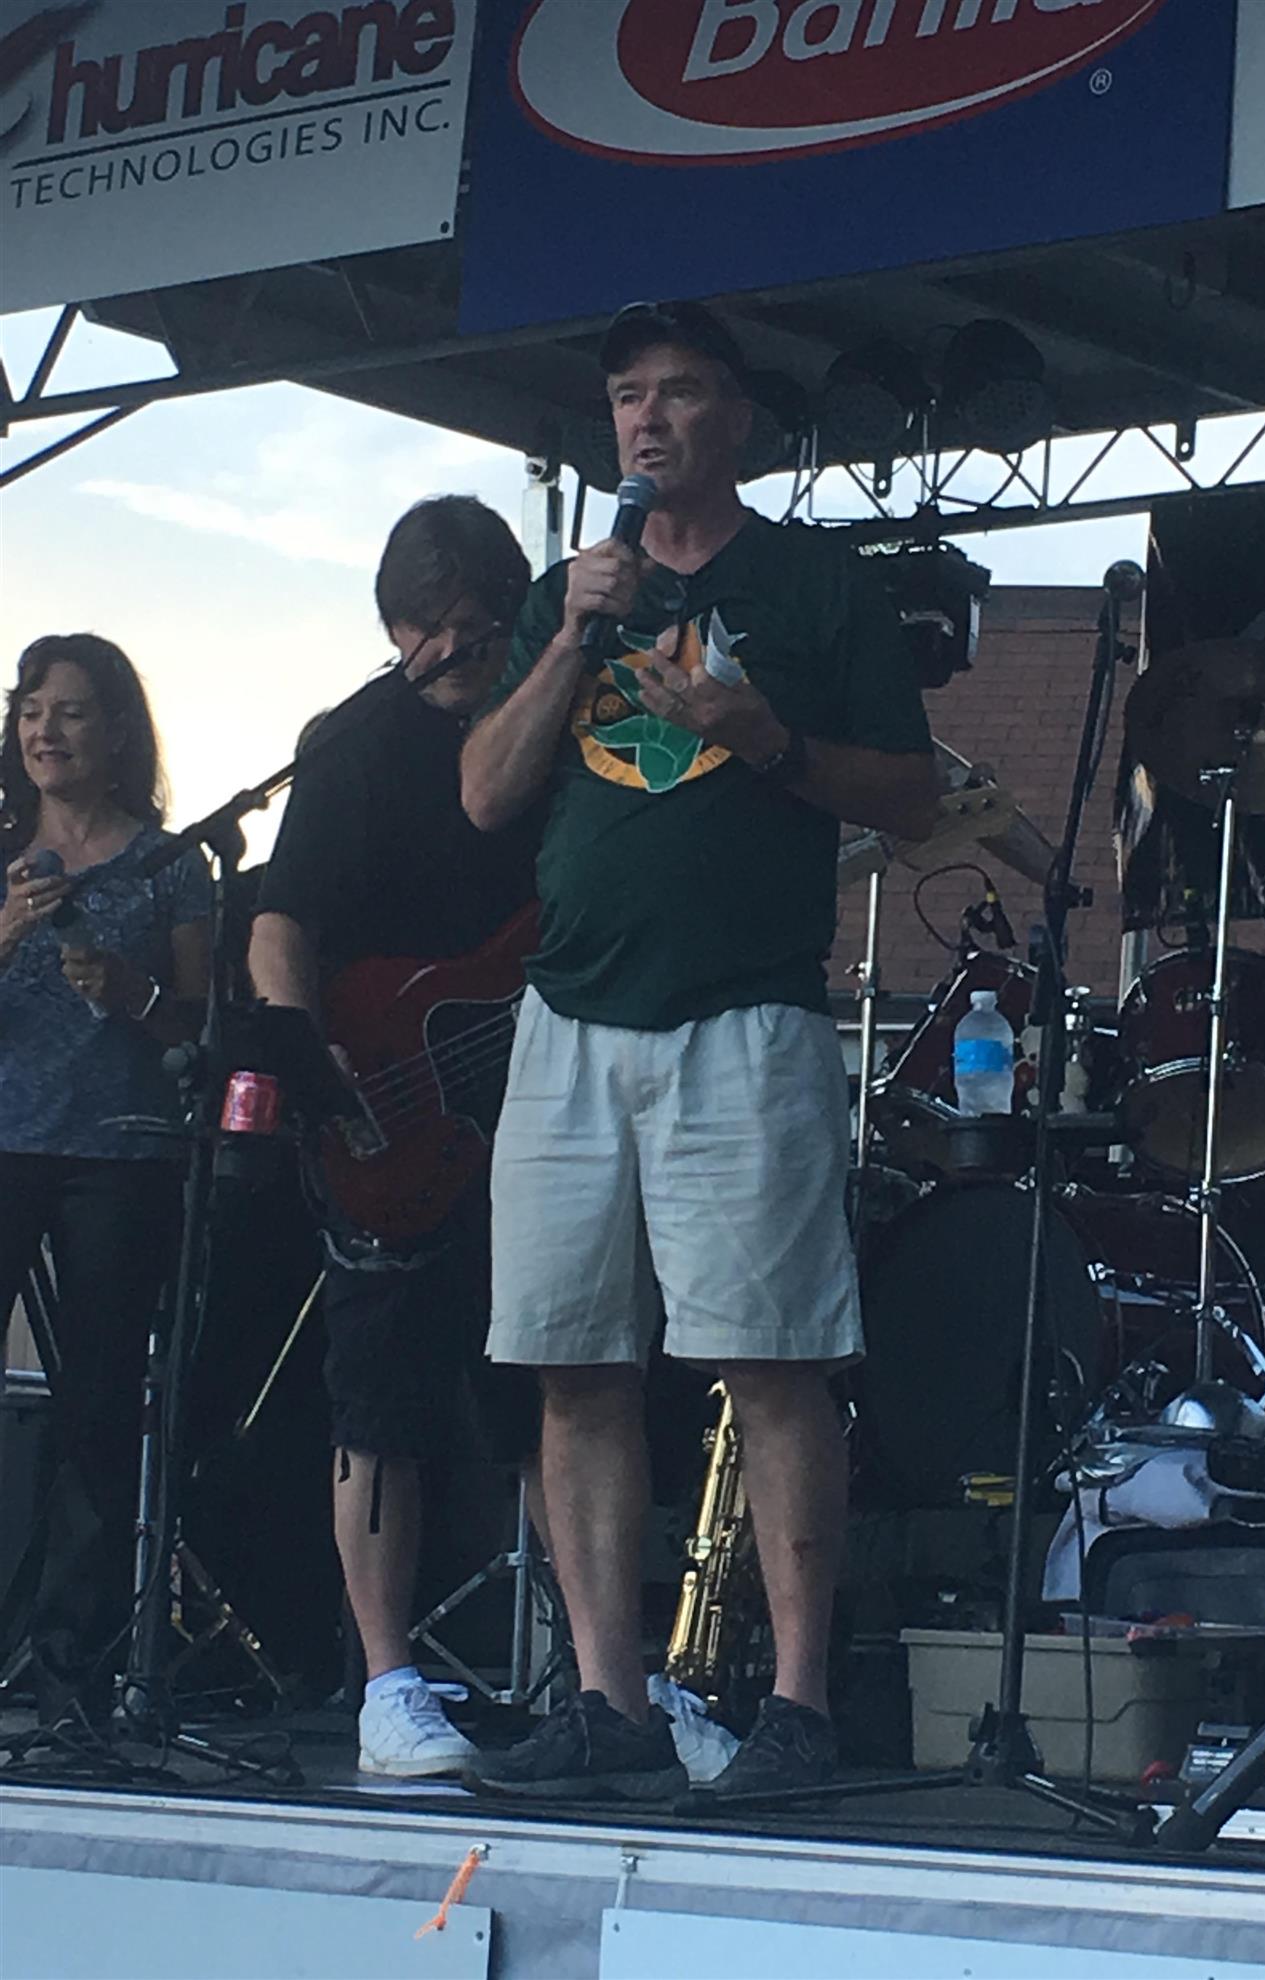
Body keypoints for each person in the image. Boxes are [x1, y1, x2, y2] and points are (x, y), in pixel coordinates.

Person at [461, 300, 939, 1800]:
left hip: (743, 1018)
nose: (648, 419)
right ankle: (609, 1704)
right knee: (570, 1363)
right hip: (568, 1019)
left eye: (678, 392)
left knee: (771, 1359)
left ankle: (796, 1710)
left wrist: (764, 735)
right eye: (627, 397)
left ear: (739, 417)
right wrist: (571, 636)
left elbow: (915, 796)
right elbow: (484, 795)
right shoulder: (565, 595)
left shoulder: (815, 585)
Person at [249, 497, 543, 1779]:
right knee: (378, 1402)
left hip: (538, 1100)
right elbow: (283, 918)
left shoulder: (567, 723)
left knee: (561, 1385)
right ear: (393, 628)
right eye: (429, 629)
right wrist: (305, 1050)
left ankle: (595, 1679)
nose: (455, 652)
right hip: (387, 1095)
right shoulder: (356, 742)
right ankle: (386, 1684)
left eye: (478, 627)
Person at [0, 634, 211, 1724]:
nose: (45, 729)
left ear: (118, 729)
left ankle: (69, 1662)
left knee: (98, 1401)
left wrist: (133, 994)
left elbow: (203, 1027)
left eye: (71, 710)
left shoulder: (172, 866)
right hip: (7, 1139)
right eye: (31, 707)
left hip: (122, 1149)